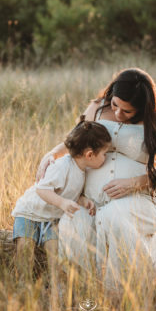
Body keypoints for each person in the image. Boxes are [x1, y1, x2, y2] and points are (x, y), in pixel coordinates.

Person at [37, 68, 156, 289]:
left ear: (142, 107)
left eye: (128, 111)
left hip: (139, 199)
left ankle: (120, 291)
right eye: (115, 105)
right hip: (91, 200)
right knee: (74, 221)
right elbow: (76, 140)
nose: (118, 114)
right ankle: (85, 290)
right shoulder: (97, 107)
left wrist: (133, 183)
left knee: (115, 215)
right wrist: (51, 154)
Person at [11, 119, 111, 288]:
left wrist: (83, 200)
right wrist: (63, 203)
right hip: (29, 214)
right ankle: (23, 289)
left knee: (55, 254)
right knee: (25, 252)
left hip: (52, 219)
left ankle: (57, 290)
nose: (106, 158)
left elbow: (70, 191)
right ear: (89, 154)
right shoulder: (62, 165)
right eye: (104, 153)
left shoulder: (82, 170)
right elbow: (42, 189)